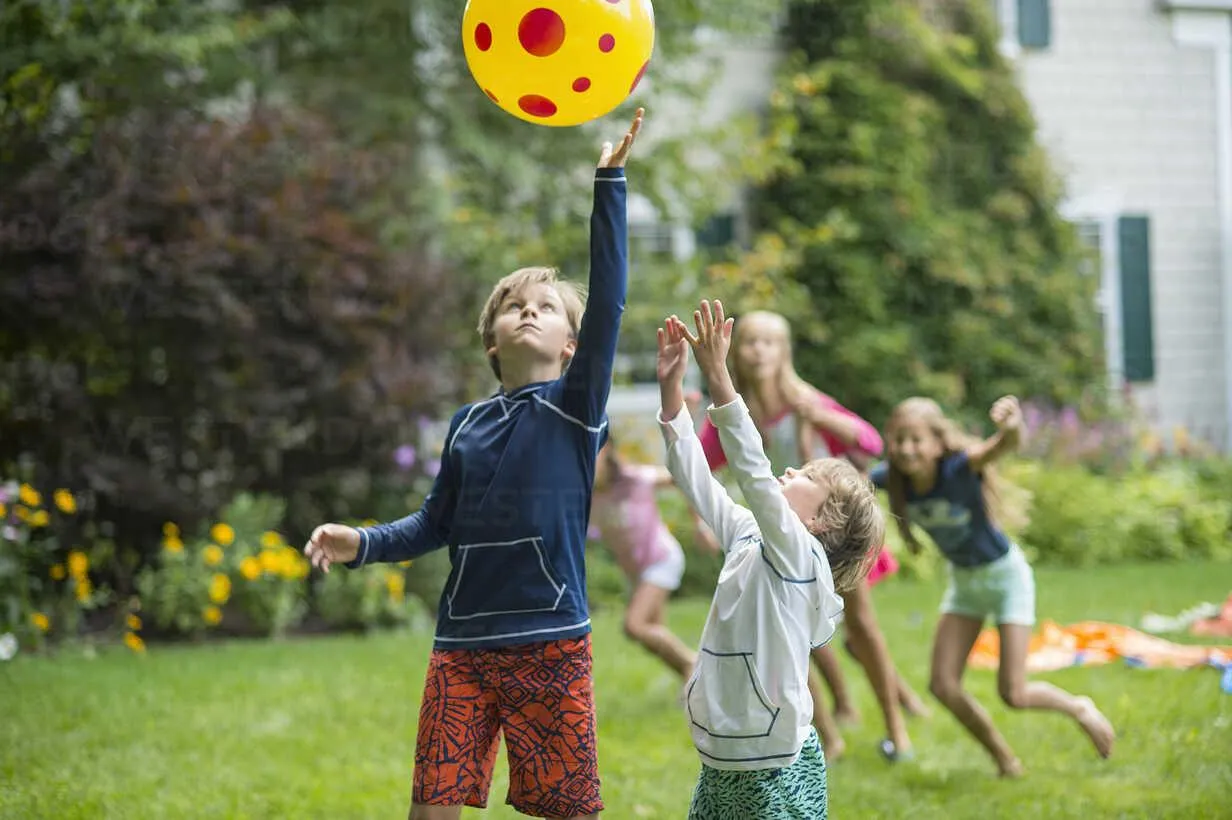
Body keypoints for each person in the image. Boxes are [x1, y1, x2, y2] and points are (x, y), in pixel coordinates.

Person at [301, 109, 644, 820]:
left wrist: (608, 183)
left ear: (572, 347)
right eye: (513, 306)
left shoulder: (575, 409)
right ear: (491, 341)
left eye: (546, 307)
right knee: (432, 808)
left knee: (566, 812)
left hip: (550, 641)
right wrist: (360, 542)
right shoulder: (467, 423)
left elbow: (608, 301)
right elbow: (436, 523)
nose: (527, 312)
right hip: (461, 643)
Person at [656, 299, 885, 818]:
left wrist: (718, 375)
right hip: (724, 749)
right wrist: (672, 391)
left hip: (771, 758)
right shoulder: (748, 534)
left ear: (820, 522)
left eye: (804, 476)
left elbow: (753, 470)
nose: (788, 473)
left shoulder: (799, 557)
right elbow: (695, 475)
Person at [698, 309, 924, 762]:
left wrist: (819, 416)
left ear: (784, 352)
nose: (758, 349)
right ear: (737, 351)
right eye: (750, 341)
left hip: (831, 528)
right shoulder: (738, 405)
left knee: (861, 629)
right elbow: (701, 461)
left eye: (769, 341)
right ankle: (826, 733)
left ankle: (896, 726)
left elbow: (871, 442)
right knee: (794, 634)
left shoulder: (801, 397)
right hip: (785, 536)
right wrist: (700, 517)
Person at [871, 395, 1116, 777]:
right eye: (899, 440)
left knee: (1013, 694)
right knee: (943, 685)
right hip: (965, 584)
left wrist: (1012, 426)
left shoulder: (959, 468)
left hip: (1005, 578)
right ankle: (1006, 761)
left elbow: (1004, 445)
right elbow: (844, 482)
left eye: (916, 439)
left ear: (938, 442)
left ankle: (1079, 707)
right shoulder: (892, 480)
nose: (906, 449)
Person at [589, 434, 713, 680]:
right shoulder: (587, 496)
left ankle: (696, 665)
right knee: (654, 636)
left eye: (594, 452)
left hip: (661, 559)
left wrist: (700, 525)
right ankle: (692, 680)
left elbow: (681, 479)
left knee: (634, 626)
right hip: (636, 573)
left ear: (609, 450)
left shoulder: (636, 478)